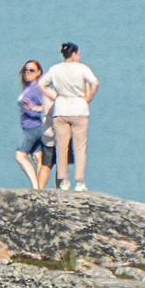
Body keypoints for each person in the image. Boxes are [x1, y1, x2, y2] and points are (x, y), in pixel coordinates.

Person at [40, 42, 98, 191]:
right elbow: (95, 83)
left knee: (61, 147)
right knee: (79, 147)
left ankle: (64, 180)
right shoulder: (82, 68)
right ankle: (79, 182)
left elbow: (42, 84)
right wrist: (88, 98)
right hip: (79, 110)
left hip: (61, 109)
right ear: (74, 54)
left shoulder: (56, 69)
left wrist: (54, 96)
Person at [14, 60, 52, 189]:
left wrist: (35, 108)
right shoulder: (29, 87)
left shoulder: (37, 88)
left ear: (39, 73)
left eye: (31, 70)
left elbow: (48, 105)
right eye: (26, 70)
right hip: (31, 126)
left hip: (32, 127)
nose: (27, 73)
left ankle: (36, 187)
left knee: (20, 156)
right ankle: (40, 188)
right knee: (37, 157)